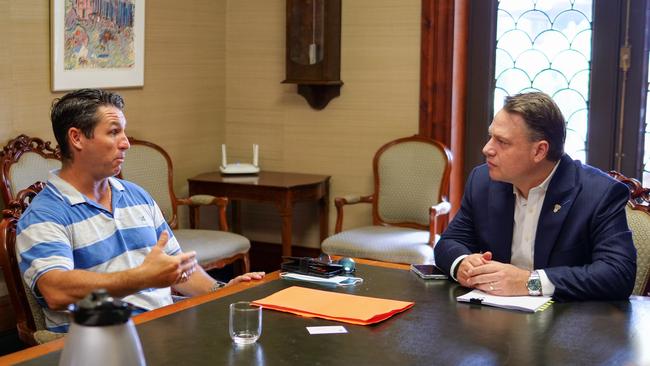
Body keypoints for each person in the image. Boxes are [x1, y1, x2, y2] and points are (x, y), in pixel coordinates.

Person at [16, 89, 264, 333]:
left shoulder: (136, 195)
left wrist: (222, 292)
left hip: (162, 329)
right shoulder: (45, 214)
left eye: (123, 132)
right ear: (77, 138)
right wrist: (143, 277)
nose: (126, 143)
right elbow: (56, 291)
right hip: (98, 344)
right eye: (114, 132)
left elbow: (178, 270)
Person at [434, 92, 636, 301]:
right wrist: (463, 264)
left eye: (502, 142)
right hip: (493, 320)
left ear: (539, 151)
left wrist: (530, 281)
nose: (487, 149)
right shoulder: (482, 181)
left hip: (566, 324)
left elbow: (618, 274)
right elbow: (449, 242)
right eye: (490, 136)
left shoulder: (599, 193)